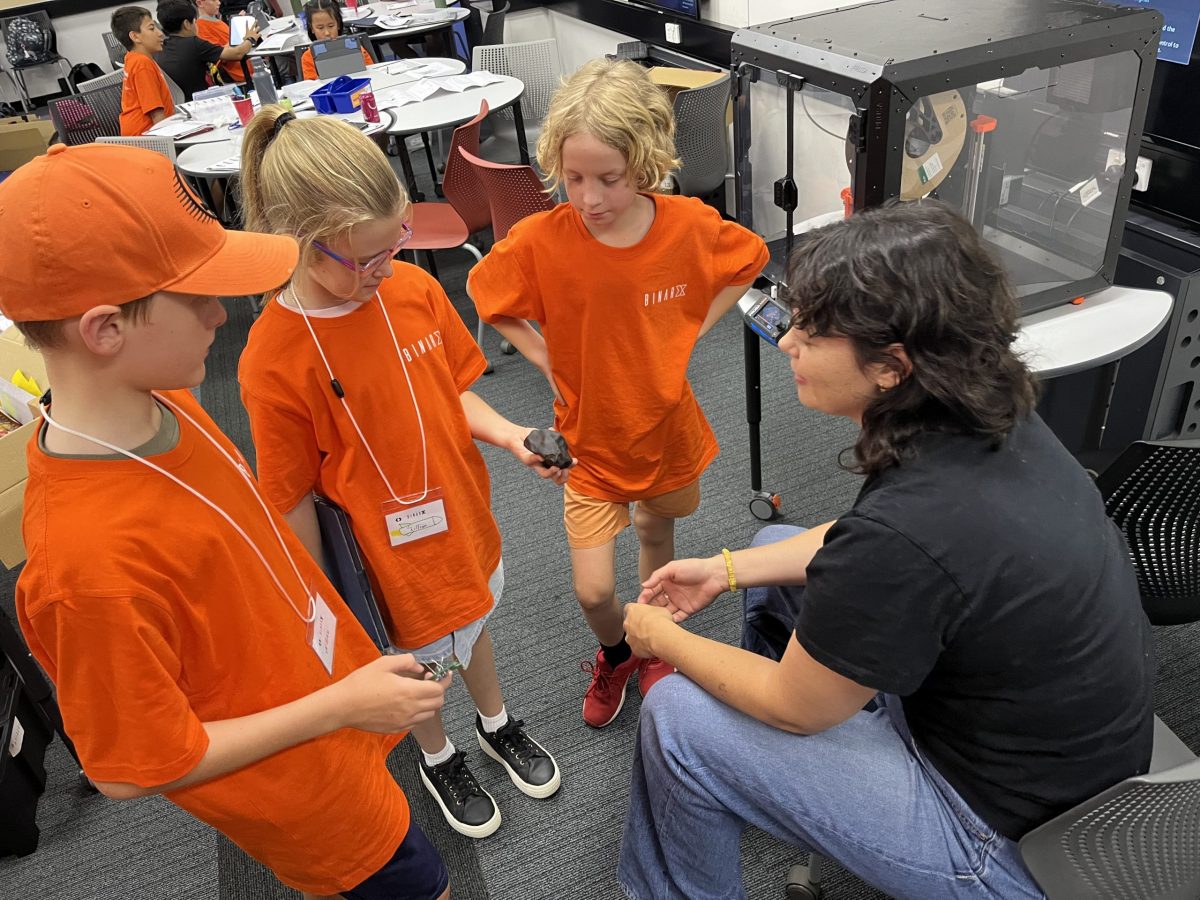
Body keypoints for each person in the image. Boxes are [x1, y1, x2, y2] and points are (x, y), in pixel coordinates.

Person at [617, 201, 1156, 900]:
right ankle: (764, 771)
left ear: (891, 367)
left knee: (677, 721)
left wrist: (657, 636)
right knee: (773, 548)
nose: (788, 342)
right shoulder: (991, 420)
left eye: (813, 333)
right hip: (1065, 767)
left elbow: (797, 700)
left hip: (1008, 848)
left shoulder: (909, 528)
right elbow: (873, 547)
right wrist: (724, 572)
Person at [0, 143, 454, 899]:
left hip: (331, 710)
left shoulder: (162, 400)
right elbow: (133, 767)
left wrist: (345, 692)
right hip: (304, 791)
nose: (222, 313)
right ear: (105, 329)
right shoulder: (86, 570)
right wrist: (341, 705)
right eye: (198, 297)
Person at [237, 107, 565, 839]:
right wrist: (328, 607)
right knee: (415, 670)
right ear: (301, 243)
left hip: (459, 516)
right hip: (383, 562)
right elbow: (290, 497)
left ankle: (495, 723)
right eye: (368, 259)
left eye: (397, 244)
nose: (387, 269)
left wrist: (512, 436)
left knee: (473, 623)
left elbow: (452, 390)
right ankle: (438, 755)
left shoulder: (410, 291)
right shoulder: (272, 358)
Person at [467, 58, 769, 729]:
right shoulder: (545, 239)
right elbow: (485, 294)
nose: (589, 197)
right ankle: (619, 654)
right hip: (589, 444)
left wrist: (692, 330)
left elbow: (749, 258)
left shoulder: (687, 224)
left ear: (647, 161)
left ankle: (655, 644)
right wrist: (545, 357)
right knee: (594, 589)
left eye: (609, 178)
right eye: (574, 178)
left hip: (665, 432)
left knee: (657, 536)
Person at [156, 0, 258, 101]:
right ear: (187, 24)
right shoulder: (194, 43)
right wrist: (250, 38)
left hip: (180, 104)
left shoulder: (161, 48)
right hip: (203, 101)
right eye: (194, 22)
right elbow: (237, 54)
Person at [111, 6, 175, 135]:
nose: (160, 33)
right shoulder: (142, 64)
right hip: (146, 137)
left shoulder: (132, 57)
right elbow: (157, 115)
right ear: (135, 36)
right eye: (152, 28)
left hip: (141, 135)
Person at [298, 0, 373, 81]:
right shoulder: (308, 57)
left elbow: (372, 73)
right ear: (312, 28)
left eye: (331, 26)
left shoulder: (355, 49)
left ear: (338, 24)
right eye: (320, 28)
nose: (327, 33)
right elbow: (311, 86)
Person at [195, 0, 254, 85]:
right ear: (200, 3)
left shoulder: (218, 22)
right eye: (213, 0)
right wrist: (237, 28)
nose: (219, 3)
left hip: (249, 67)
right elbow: (221, 55)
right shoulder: (201, 28)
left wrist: (238, 25)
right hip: (239, 76)